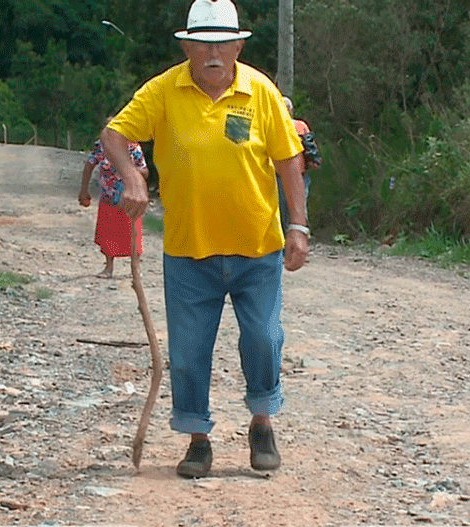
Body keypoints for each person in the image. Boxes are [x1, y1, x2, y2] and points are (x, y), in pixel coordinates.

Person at [100, 0, 308, 478]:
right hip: (189, 249)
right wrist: (132, 177)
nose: (213, 53)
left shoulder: (261, 92)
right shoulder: (164, 91)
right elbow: (114, 134)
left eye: (223, 43)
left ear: (238, 45)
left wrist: (298, 225)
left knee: (263, 338)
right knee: (190, 353)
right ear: (188, 46)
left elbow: (287, 160)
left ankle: (262, 423)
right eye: (203, 43)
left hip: (257, 245)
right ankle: (198, 439)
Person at [78, 125, 149, 278]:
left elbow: (145, 171)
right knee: (108, 232)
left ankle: (135, 268)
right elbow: (89, 166)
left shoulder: (132, 146)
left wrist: (130, 169)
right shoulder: (101, 146)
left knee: (132, 232)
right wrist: (84, 190)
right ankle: (108, 268)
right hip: (108, 198)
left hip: (130, 197)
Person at [278, 96, 316, 232]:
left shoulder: (300, 126)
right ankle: (285, 240)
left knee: (296, 207)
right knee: (283, 208)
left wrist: (313, 160)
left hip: (299, 173)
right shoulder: (272, 124)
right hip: (277, 174)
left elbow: (310, 146)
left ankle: (298, 234)